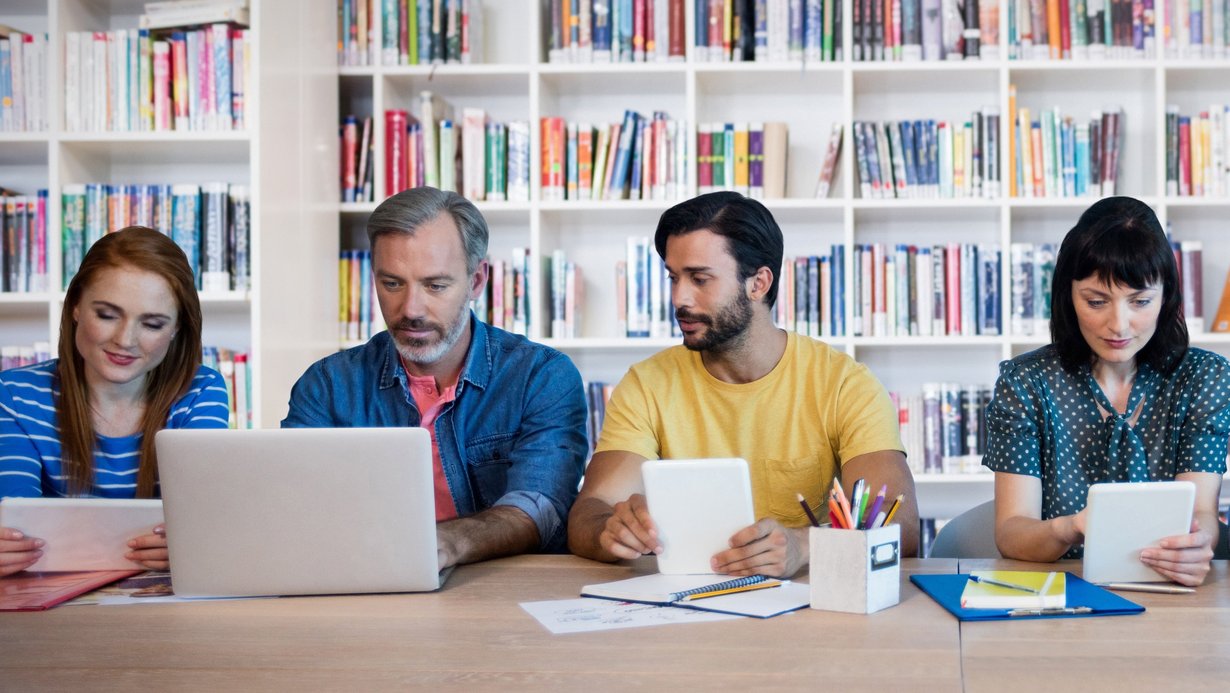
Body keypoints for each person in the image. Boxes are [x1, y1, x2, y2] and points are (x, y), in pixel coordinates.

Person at [568, 191, 920, 578]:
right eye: (673, 278)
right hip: (684, 596)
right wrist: (609, 530)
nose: (679, 298)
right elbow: (590, 510)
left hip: (809, 599)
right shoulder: (647, 385)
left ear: (758, 283)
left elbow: (900, 526)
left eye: (700, 279)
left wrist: (804, 546)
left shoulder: (843, 384)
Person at [282, 187, 588, 570]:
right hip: (368, 580)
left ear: (477, 281)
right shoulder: (326, 386)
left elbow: (540, 508)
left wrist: (444, 544)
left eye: (435, 286)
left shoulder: (540, 377)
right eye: (392, 284)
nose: (412, 309)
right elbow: (295, 505)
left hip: (504, 588)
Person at [985, 196, 1229, 586]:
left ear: (1166, 296)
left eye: (1140, 301)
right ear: (1068, 296)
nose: (1119, 324)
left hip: (1169, 589)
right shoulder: (1026, 382)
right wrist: (1070, 527)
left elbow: (1200, 511)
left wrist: (1199, 544)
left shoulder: (1204, 378)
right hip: (1061, 592)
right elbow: (1012, 532)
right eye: (1096, 301)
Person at [0, 226, 231, 576]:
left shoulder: (199, 390)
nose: (125, 339)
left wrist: (195, 543)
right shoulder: (14, 395)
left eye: (152, 324)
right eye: (107, 315)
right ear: (75, 306)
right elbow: (17, 523)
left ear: (177, 329)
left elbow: (200, 518)